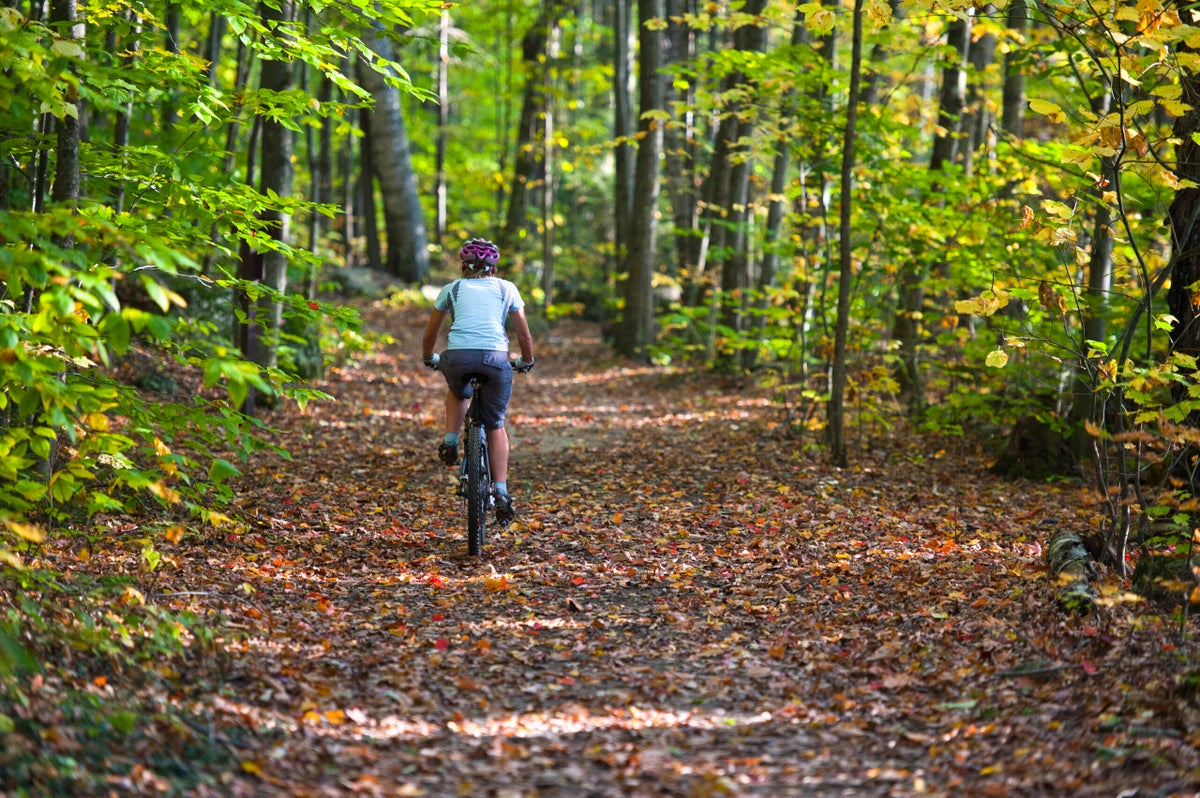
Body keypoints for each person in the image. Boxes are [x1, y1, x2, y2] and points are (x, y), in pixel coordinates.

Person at [421, 237, 535, 524]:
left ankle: (449, 441)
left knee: (458, 390)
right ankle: (501, 492)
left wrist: (429, 357)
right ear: (493, 269)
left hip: (458, 358)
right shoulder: (507, 288)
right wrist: (526, 360)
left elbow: (431, 334)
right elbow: (524, 336)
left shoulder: (452, 288)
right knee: (495, 424)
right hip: (496, 359)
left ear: (463, 266)